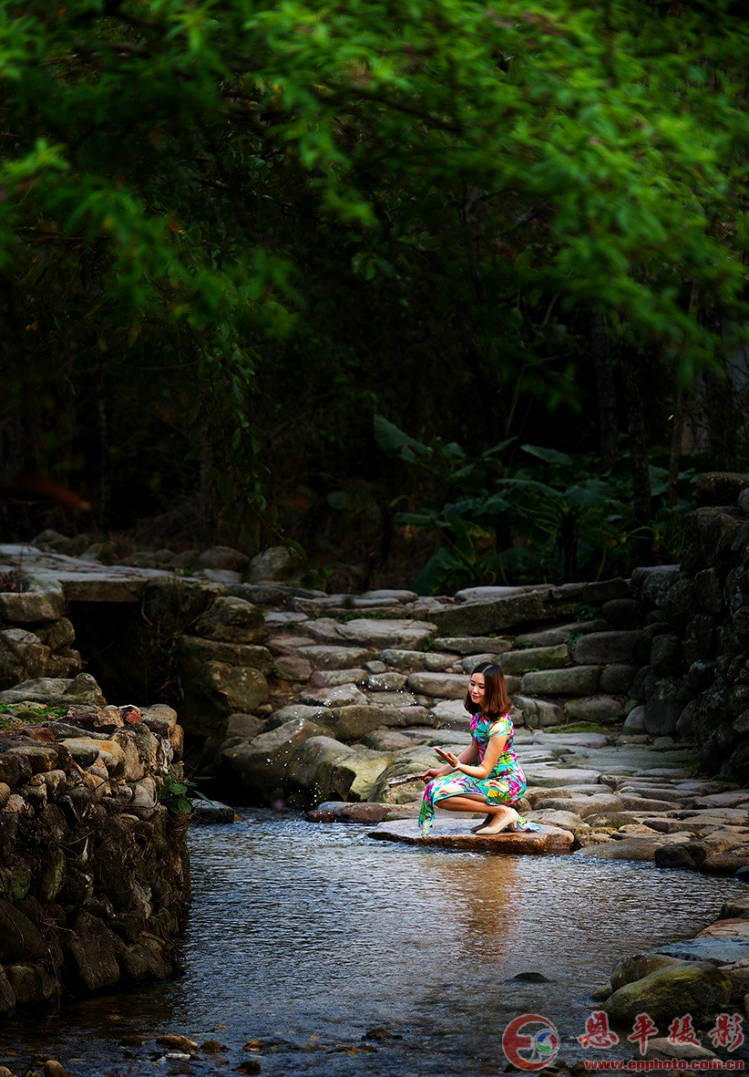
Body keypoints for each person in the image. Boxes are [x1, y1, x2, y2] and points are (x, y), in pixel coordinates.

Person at [418, 661, 536, 837]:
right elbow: (474, 749)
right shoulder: (478, 717)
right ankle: (493, 814)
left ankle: (502, 813)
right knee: (434, 786)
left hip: (507, 783)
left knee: (440, 793)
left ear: (493, 691)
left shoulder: (499, 726)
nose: (474, 690)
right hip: (488, 781)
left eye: (482, 687)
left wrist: (458, 766)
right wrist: (442, 771)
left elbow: (484, 770)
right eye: (472, 684)